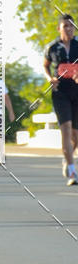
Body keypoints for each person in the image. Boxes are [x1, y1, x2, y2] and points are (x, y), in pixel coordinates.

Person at [44, 14, 78, 184]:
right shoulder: (52, 47)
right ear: (59, 28)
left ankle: (67, 159)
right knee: (66, 129)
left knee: (75, 136)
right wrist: (50, 78)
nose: (69, 29)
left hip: (77, 91)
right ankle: (72, 172)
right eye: (66, 26)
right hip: (60, 93)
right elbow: (45, 65)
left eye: (71, 26)